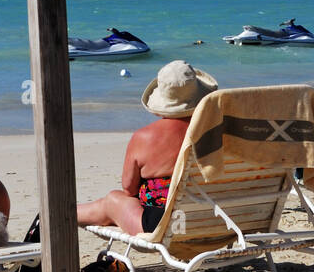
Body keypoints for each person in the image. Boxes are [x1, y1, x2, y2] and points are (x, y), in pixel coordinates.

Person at [76, 60, 217, 235]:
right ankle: (63, 213)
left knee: (114, 200)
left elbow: (129, 189)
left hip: (170, 226)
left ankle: (61, 214)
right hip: (217, 219)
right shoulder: (219, 130)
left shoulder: (145, 137)